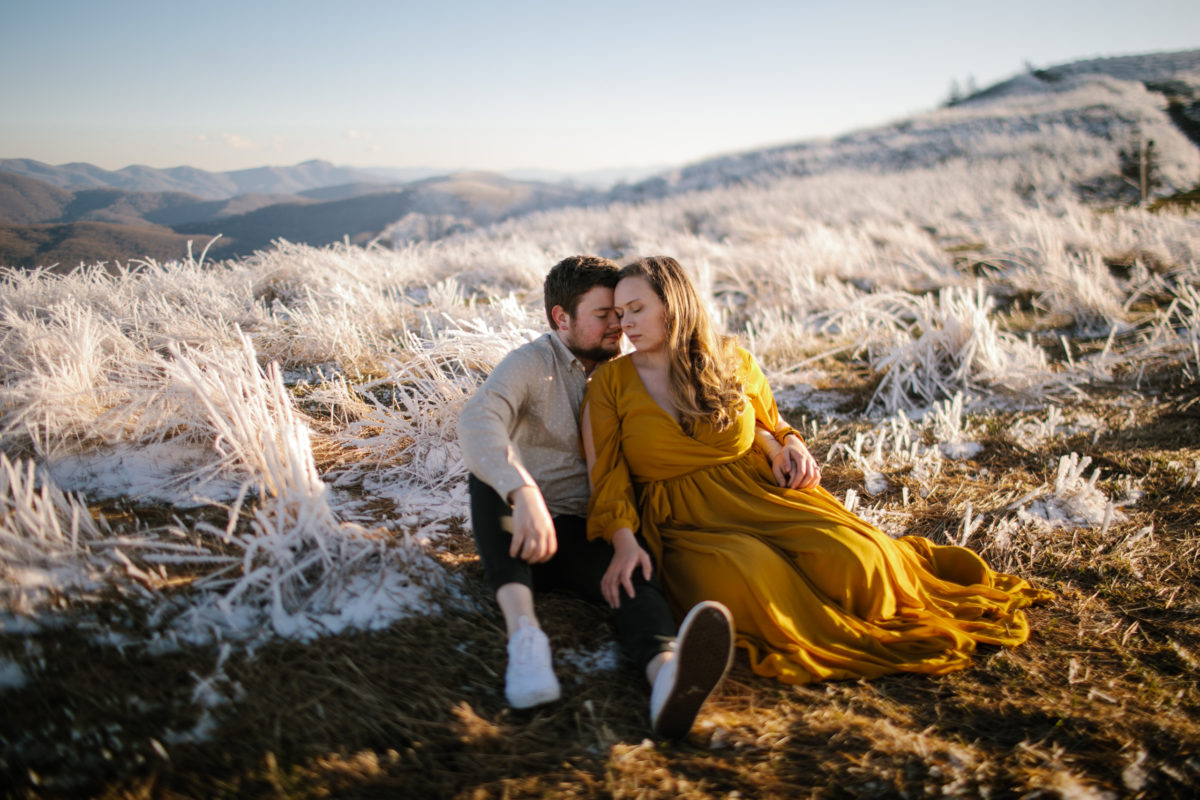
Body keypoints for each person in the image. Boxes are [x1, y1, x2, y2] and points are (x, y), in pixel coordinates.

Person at [581, 256, 1053, 686]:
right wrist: (623, 539)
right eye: (620, 314)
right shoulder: (610, 383)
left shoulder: (731, 359)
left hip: (764, 494)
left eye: (637, 309)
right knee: (750, 581)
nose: (626, 325)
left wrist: (790, 443)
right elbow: (608, 473)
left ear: (675, 304)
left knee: (861, 563)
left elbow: (771, 420)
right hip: (685, 519)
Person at [457, 254, 735, 738]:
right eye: (604, 316)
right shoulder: (530, 364)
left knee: (635, 575)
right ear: (561, 319)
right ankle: (526, 640)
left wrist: (779, 439)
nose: (619, 326)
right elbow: (479, 420)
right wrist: (522, 490)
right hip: (526, 531)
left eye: (623, 314)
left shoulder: (630, 374)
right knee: (487, 481)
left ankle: (666, 675)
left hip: (589, 530)